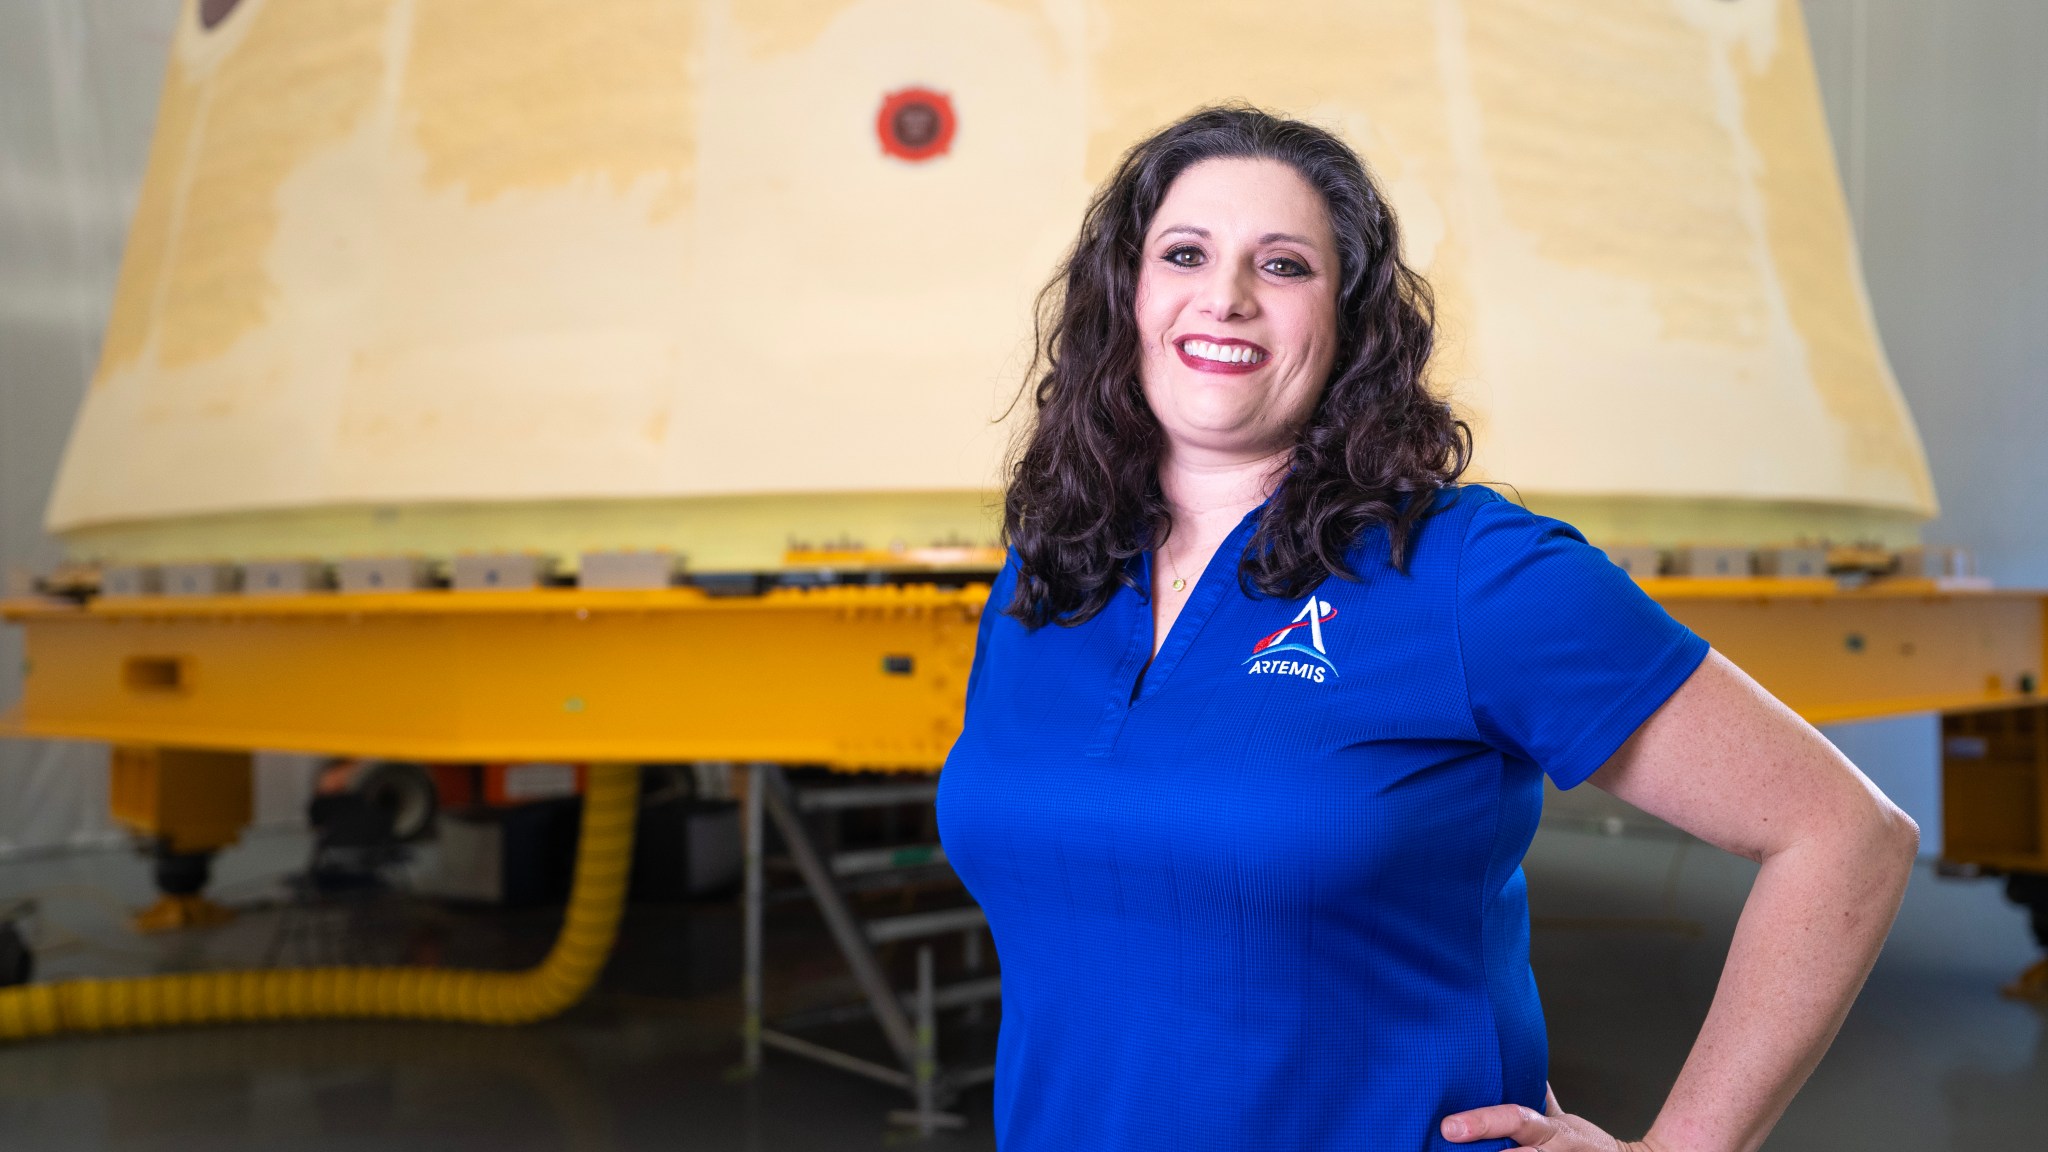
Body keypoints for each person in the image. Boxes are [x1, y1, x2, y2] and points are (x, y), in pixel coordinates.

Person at [936, 106, 1920, 1152]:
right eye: (1184, 253)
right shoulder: (1050, 576)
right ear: (1125, 294)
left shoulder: (1466, 573)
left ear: (1351, 320)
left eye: (1283, 266)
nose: (1223, 297)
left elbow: (1844, 835)